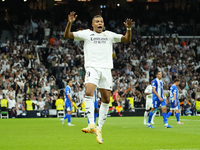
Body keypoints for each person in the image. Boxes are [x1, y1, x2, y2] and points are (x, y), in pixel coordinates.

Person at [64, 11, 134, 144]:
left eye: (101, 21)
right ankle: (91, 123)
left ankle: (99, 128)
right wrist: (70, 23)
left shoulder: (109, 35)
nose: (100, 23)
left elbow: (127, 39)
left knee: (106, 99)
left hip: (106, 69)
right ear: (92, 24)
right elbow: (67, 35)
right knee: (89, 91)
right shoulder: (86, 34)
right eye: (97, 21)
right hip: (92, 68)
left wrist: (129, 29)